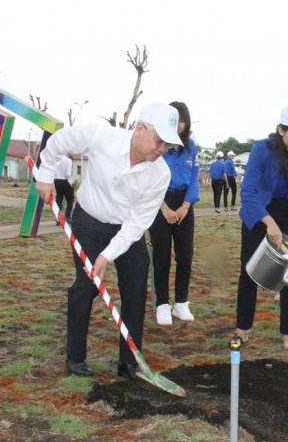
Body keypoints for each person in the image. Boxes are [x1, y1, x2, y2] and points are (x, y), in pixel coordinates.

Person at [34, 102, 181, 380]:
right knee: (86, 286)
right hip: (88, 221)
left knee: (136, 289)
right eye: (159, 141)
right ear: (139, 129)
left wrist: (107, 255)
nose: (162, 149)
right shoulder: (102, 137)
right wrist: (44, 174)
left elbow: (137, 223)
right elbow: (60, 140)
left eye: (168, 145)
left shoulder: (160, 174)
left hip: (126, 232)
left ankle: (129, 363)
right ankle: (75, 358)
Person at [235, 104, 288, 350]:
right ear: (281, 129)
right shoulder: (262, 149)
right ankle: (242, 328)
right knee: (249, 271)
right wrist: (269, 222)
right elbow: (248, 191)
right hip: (260, 212)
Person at [148, 101, 199, 326]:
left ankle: (181, 303)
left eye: (182, 120)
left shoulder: (191, 147)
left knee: (185, 257)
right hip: (160, 202)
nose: (178, 125)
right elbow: (148, 179)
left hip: (184, 204)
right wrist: (165, 208)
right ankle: (162, 304)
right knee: (161, 256)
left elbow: (195, 177)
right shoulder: (158, 146)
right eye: (174, 120)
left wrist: (185, 206)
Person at [54, 155, 75, 223]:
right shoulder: (68, 160)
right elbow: (68, 174)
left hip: (56, 180)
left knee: (58, 200)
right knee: (70, 199)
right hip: (65, 181)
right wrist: (70, 182)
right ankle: (67, 217)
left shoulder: (56, 160)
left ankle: (58, 219)